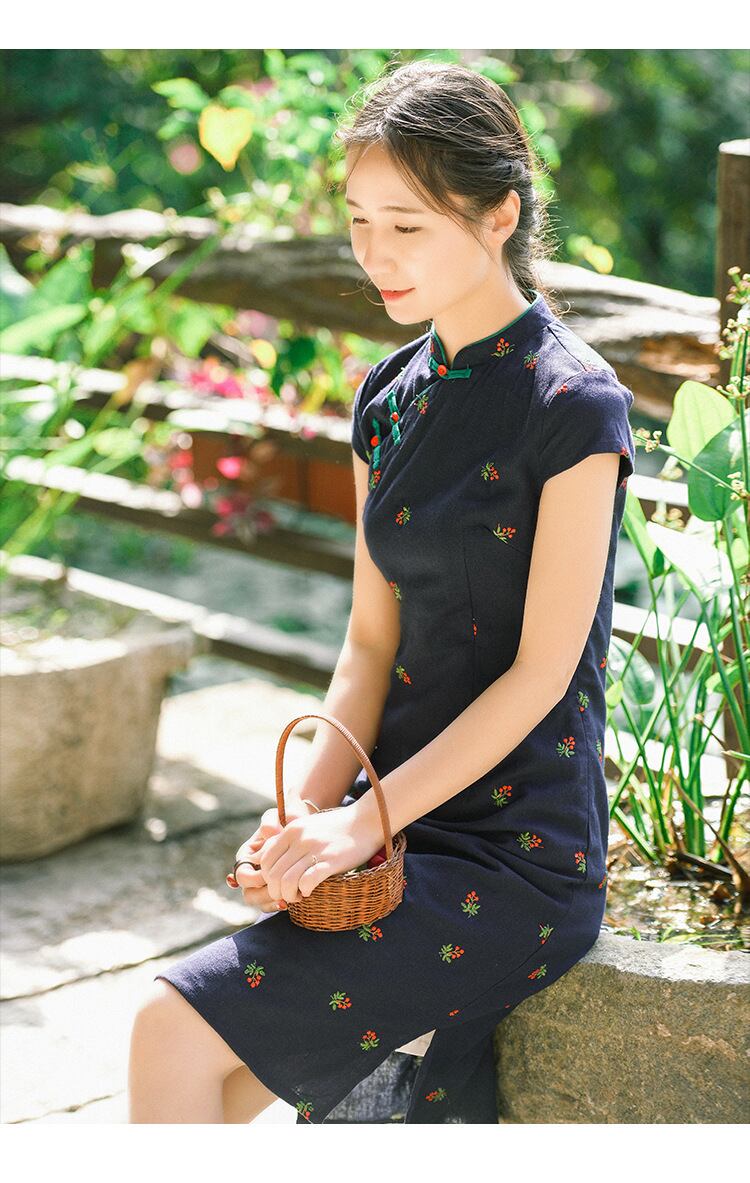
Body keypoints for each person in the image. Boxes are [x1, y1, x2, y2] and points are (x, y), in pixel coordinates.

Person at [127, 58, 635, 1124]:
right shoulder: (387, 396)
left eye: (407, 225)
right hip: (391, 823)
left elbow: (544, 673)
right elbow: (368, 642)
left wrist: (362, 825)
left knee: (167, 1026)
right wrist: (302, 816)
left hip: (518, 852)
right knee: (202, 1072)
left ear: (500, 214)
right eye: (360, 221)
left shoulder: (573, 405)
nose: (375, 254)